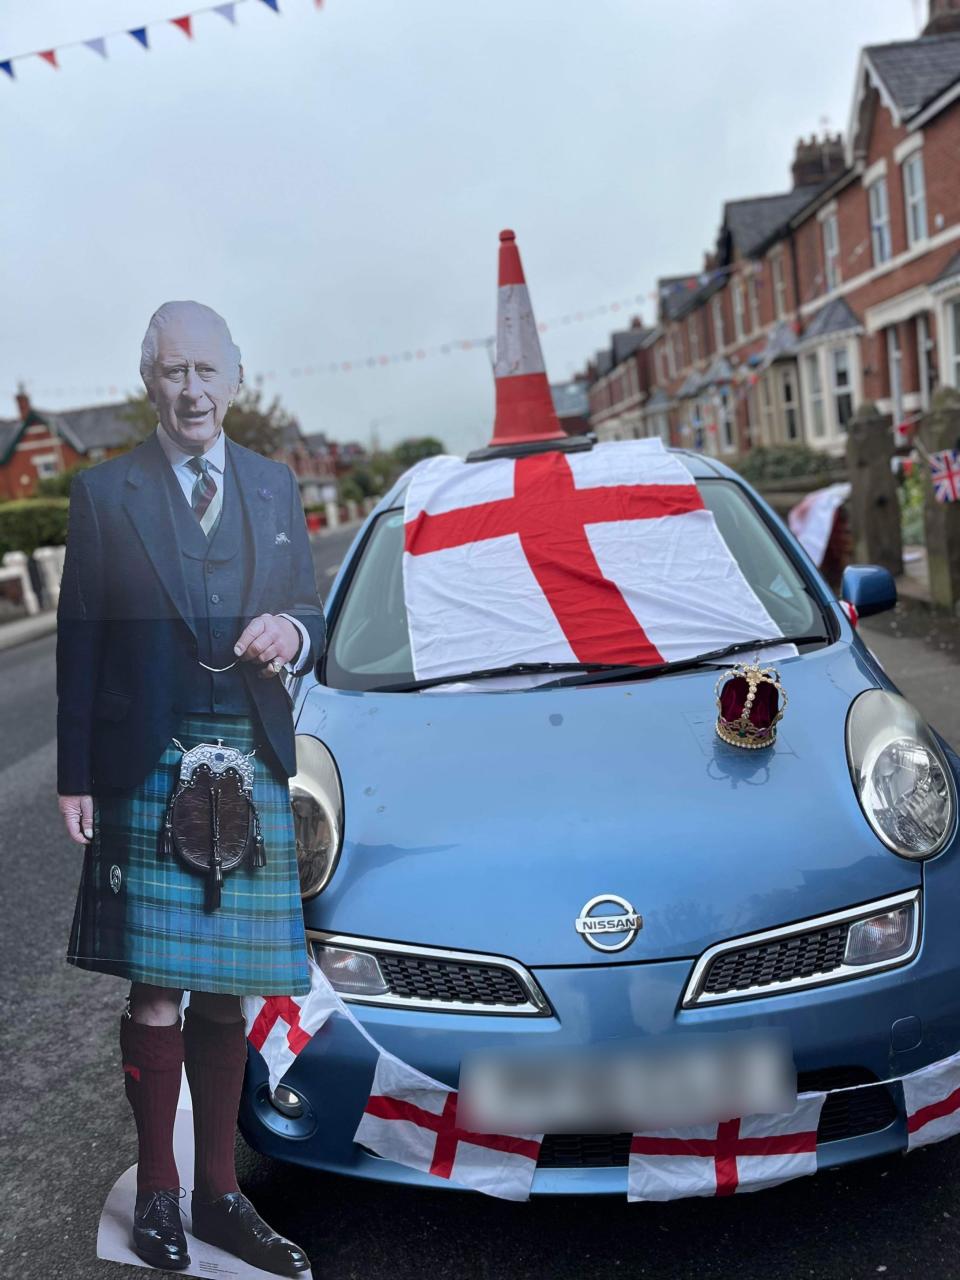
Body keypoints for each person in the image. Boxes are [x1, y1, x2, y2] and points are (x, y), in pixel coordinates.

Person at [57, 300, 324, 1276]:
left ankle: (221, 1196)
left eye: (208, 369)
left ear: (235, 380)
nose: (192, 388)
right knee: (158, 991)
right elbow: (79, 636)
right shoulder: (101, 493)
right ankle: (161, 1197)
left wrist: (293, 632)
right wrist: (74, 772)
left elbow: (308, 606)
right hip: (145, 756)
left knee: (227, 995)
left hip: (246, 750)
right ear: (150, 381)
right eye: (174, 370)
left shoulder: (272, 482)